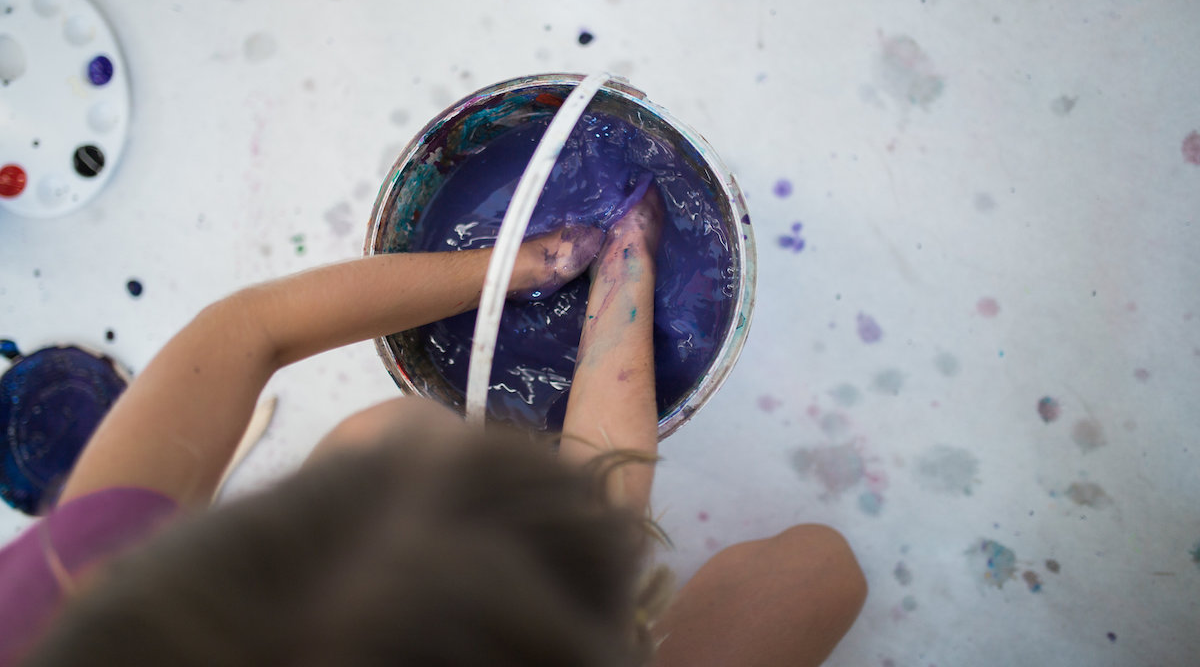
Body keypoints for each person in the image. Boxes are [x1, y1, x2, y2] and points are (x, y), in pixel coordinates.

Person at [0, 188, 866, 666]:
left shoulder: (69, 589)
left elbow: (247, 329)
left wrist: (524, 267)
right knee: (817, 573)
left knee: (393, 440)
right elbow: (604, 493)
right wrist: (626, 268)